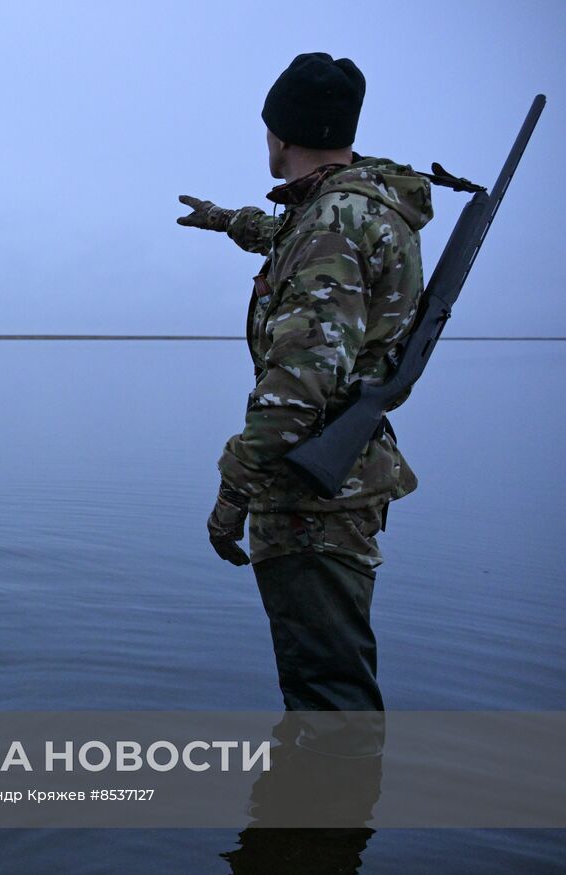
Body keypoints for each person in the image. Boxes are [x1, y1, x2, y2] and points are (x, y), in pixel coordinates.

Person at [176, 53, 432, 712]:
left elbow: (298, 384)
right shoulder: (356, 208)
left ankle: (327, 813)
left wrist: (232, 490)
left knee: (327, 699)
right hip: (339, 482)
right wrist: (221, 218)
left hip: (313, 500)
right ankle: (326, 810)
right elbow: (283, 234)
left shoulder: (331, 226)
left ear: (282, 134)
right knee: (331, 686)